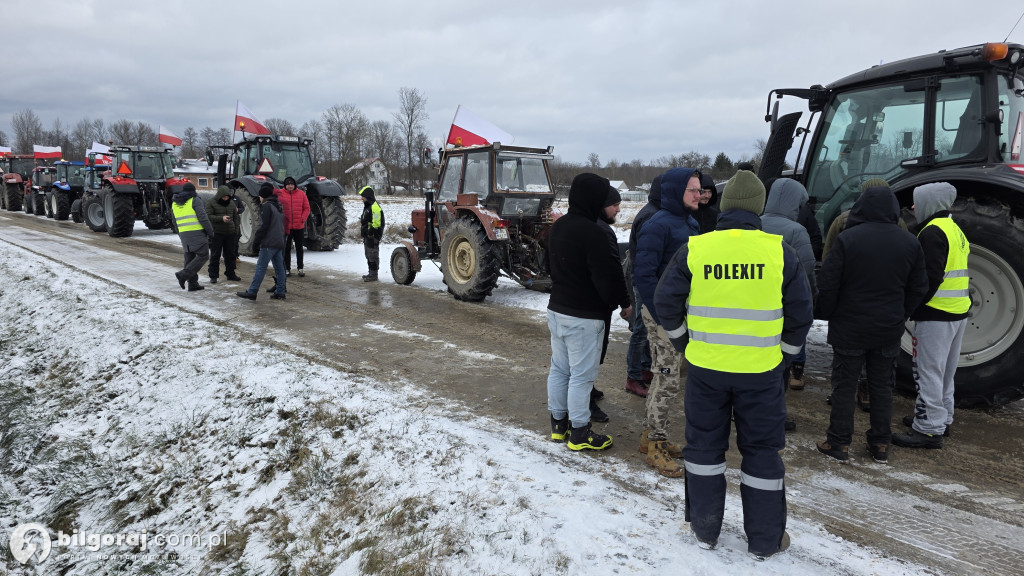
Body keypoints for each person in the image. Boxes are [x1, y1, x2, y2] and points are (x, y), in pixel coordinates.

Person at [654, 168, 813, 560]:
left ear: (725, 206)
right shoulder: (779, 252)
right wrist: (785, 357)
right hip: (761, 373)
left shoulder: (697, 248)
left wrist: (684, 342)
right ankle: (765, 540)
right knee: (761, 453)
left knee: (704, 449)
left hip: (706, 371)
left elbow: (665, 301)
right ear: (758, 207)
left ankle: (705, 530)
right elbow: (801, 313)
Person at [815, 185, 928, 463]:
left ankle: (838, 443)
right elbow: (919, 287)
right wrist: (901, 313)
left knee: (844, 386)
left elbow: (828, 282)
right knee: (882, 387)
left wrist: (830, 312)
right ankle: (880, 444)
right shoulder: (909, 242)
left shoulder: (847, 239)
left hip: (849, 326)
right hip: (887, 328)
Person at [545, 173, 631, 451]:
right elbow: (607, 277)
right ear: (593, 199)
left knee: (560, 369)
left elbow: (548, 267)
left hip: (557, 310)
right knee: (581, 376)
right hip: (584, 316)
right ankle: (580, 432)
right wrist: (618, 302)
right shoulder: (594, 233)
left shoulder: (558, 227)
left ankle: (559, 425)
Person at [633, 167, 702, 477]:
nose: (699, 195)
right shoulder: (656, 225)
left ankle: (650, 435)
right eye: (693, 190)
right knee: (667, 379)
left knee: (668, 377)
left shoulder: (691, 223)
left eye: (700, 190)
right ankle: (656, 445)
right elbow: (643, 275)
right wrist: (663, 317)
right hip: (663, 316)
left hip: (681, 313)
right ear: (676, 191)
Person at [894, 182, 971, 449]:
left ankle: (928, 429)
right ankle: (941, 418)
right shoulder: (954, 228)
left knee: (927, 371)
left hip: (936, 315)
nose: (913, 206)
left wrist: (911, 307)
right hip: (957, 312)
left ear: (931, 203)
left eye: (918, 201)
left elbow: (930, 278)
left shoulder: (931, 232)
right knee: (945, 372)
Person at [761, 178, 818, 396]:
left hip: (756, 303)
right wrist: (813, 296)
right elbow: (806, 268)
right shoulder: (797, 231)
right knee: (779, 365)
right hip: (784, 305)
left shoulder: (756, 223)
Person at [588, 185, 625, 423]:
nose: (618, 210)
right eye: (614, 205)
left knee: (595, 350)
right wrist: (624, 301)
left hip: (596, 303)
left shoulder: (594, 226)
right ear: (602, 206)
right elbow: (613, 270)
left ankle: (588, 388)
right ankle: (585, 402)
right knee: (592, 352)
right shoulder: (601, 230)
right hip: (595, 305)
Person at [623, 176, 661, 398]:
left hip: (646, 280)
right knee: (640, 330)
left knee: (646, 328)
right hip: (644, 282)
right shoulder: (651, 216)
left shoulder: (654, 211)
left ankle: (645, 368)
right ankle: (633, 377)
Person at [237, 183, 287, 301]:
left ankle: (252, 291)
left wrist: (256, 242)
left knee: (261, 268)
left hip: (269, 243)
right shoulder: (278, 205)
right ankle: (280, 291)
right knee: (279, 268)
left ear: (263, 195)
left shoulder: (267, 207)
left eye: (259, 196)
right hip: (279, 241)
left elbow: (263, 227)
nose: (259, 198)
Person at [171, 182, 214, 293]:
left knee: (189, 257)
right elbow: (203, 218)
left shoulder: (174, 203)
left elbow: (174, 222)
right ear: (193, 191)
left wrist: (180, 234)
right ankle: (183, 275)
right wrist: (210, 232)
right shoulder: (195, 200)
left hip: (184, 234)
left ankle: (193, 284)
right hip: (197, 232)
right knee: (203, 255)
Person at [206, 185, 242, 284]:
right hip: (216, 233)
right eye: (224, 197)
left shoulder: (231, 203)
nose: (226, 199)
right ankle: (213, 276)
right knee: (215, 255)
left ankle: (230, 274)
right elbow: (208, 216)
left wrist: (236, 230)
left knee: (230, 255)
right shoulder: (211, 202)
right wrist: (221, 218)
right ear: (219, 196)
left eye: (227, 197)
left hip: (230, 233)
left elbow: (236, 217)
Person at [277, 176, 310, 278]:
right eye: (288, 184)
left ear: (295, 185)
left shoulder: (301, 194)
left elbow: (307, 208)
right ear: (285, 185)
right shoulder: (280, 194)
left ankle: (300, 268)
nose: (290, 186)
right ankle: (287, 269)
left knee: (299, 248)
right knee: (286, 248)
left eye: (292, 184)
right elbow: (276, 207)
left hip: (298, 226)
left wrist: (302, 219)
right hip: (286, 227)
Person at [359, 185, 385, 282]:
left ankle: (374, 275)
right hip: (368, 235)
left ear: (367, 196)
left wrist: (370, 232)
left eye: (363, 196)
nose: (362, 198)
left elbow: (376, 223)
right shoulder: (368, 206)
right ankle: (371, 273)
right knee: (368, 254)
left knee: (373, 254)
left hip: (372, 235)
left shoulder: (374, 207)